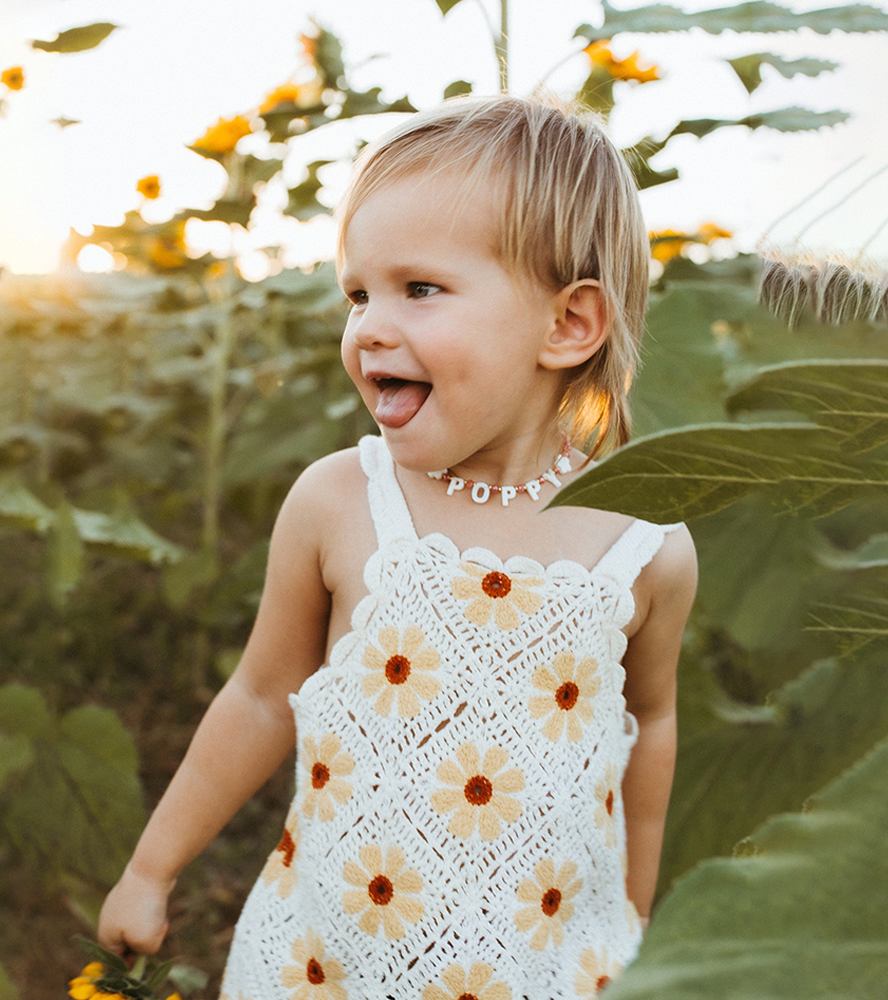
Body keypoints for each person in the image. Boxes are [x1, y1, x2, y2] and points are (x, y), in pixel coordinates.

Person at [98, 95, 698, 1000]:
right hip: (328, 961)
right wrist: (151, 870)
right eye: (358, 293)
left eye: (419, 289)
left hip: (537, 965)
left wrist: (635, 922)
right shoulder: (342, 502)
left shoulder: (643, 543)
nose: (370, 327)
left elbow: (647, 727)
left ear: (567, 325)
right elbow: (260, 697)